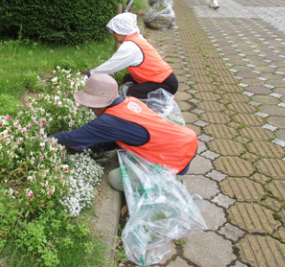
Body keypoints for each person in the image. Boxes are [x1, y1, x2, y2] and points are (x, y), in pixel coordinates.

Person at [52, 74, 198, 191]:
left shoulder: (109, 121)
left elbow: (70, 137)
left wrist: (43, 140)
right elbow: (116, 138)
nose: (89, 108)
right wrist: (92, 148)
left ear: (99, 103)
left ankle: (169, 183)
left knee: (115, 178)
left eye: (90, 104)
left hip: (175, 161)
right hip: (185, 140)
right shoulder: (130, 102)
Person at [87, 12, 178, 99]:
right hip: (160, 78)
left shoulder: (130, 46)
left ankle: (150, 109)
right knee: (128, 78)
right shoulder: (136, 38)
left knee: (131, 91)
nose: (113, 35)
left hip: (165, 84)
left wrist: (90, 75)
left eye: (115, 31)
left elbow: (111, 65)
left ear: (123, 30)